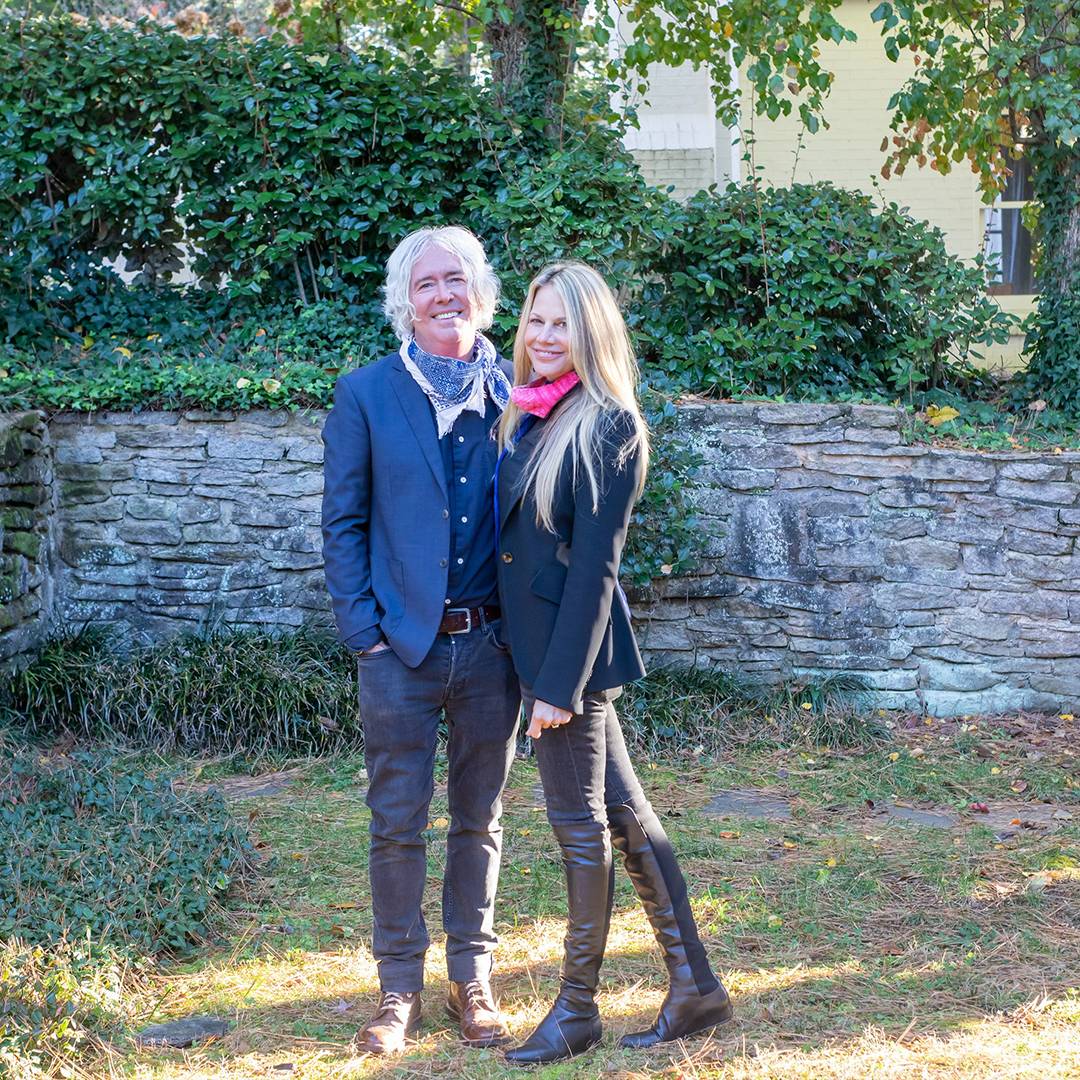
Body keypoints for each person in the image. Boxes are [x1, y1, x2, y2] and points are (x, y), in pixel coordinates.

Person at [494, 263, 733, 1064]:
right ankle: (696, 985)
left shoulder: (607, 425)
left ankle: (575, 1010)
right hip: (542, 652)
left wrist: (557, 688)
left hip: (568, 661)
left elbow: (596, 568)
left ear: (592, 332)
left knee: (580, 829)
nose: (544, 335)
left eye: (562, 323)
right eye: (535, 320)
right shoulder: (531, 411)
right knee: (628, 819)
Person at [321, 226, 521, 1054]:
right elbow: (343, 522)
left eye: (459, 279)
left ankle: (472, 980)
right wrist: (364, 633)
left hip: (493, 650)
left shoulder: (518, 390)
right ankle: (397, 986)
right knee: (396, 821)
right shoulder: (365, 393)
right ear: (405, 300)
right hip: (398, 652)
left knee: (481, 817)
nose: (446, 295)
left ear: (482, 293)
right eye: (429, 283)